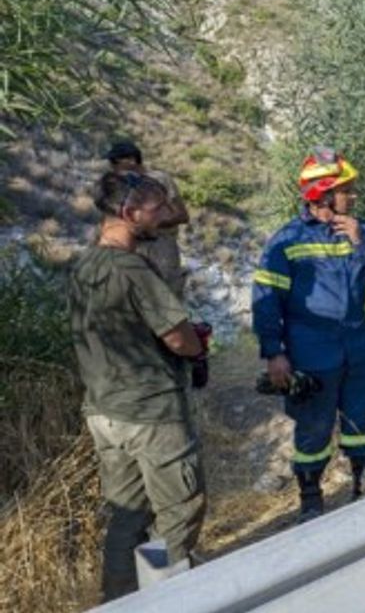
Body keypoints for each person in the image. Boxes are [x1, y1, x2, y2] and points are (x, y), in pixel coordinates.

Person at [68, 171, 209, 602]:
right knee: (177, 514)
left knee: (126, 518)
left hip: (105, 414)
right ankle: (165, 599)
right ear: (129, 214)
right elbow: (178, 337)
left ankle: (119, 602)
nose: (165, 216)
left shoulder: (84, 265)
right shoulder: (132, 269)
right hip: (152, 413)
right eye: (157, 208)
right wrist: (197, 350)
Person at [251, 147, 365, 521]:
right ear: (322, 194)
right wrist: (274, 352)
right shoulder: (286, 240)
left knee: (359, 418)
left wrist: (362, 243)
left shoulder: (361, 229)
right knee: (314, 427)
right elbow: (266, 300)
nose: (353, 196)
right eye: (346, 190)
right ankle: (310, 495)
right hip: (309, 349)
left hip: (357, 344)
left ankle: (364, 480)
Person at [105, 141, 191, 299]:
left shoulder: (160, 179)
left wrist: (149, 224)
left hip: (161, 248)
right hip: (133, 251)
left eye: (115, 163)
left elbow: (182, 215)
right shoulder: (120, 185)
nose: (112, 168)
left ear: (130, 161)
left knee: (166, 301)